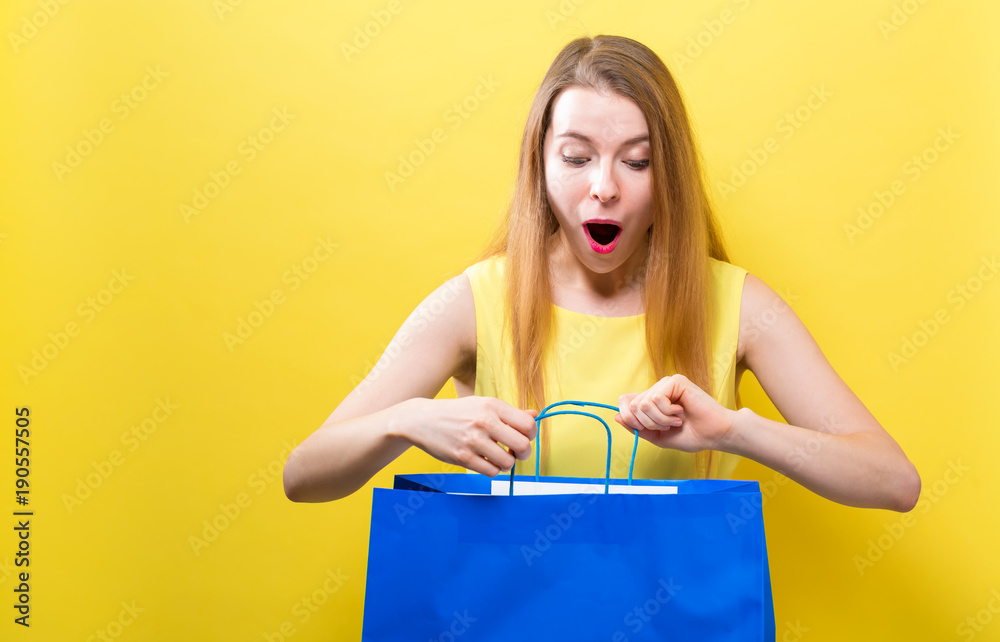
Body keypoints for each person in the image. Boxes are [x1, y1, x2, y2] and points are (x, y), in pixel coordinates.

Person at [283, 34, 921, 511]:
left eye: (636, 162)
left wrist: (736, 431)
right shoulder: (473, 301)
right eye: (576, 158)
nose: (604, 188)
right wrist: (409, 419)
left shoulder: (741, 305)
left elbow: (893, 482)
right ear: (541, 164)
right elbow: (304, 475)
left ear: (666, 174)